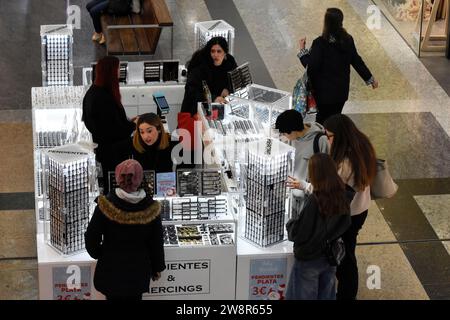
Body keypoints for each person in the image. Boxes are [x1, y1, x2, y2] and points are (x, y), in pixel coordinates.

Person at [85, 159, 165, 300]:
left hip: (111, 270)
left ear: (118, 177)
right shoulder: (152, 208)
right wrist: (157, 267)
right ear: (140, 178)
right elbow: (156, 243)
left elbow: (91, 237)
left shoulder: (105, 205)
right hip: (138, 272)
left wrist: (100, 253)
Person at [323, 114, 377, 300]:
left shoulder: (345, 163)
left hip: (347, 214)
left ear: (339, 136)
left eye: (329, 136)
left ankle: (346, 295)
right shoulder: (362, 145)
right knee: (348, 250)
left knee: (344, 259)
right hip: (360, 209)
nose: (327, 139)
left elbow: (332, 192)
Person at [285, 153, 353, 300]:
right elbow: (346, 223)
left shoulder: (315, 201)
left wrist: (290, 224)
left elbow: (300, 232)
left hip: (309, 258)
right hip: (330, 256)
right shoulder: (342, 195)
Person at [298, 8, 379, 124]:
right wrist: (370, 78)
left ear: (327, 23)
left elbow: (311, 67)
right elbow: (356, 61)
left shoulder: (320, 43)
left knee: (322, 121)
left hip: (323, 94)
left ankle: (324, 141)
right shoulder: (347, 40)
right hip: (341, 93)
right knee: (335, 119)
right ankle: (335, 139)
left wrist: (302, 51)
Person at [82, 56, 135, 195]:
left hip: (106, 150)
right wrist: (133, 126)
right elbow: (114, 130)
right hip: (113, 152)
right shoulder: (103, 98)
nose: (119, 71)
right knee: (115, 184)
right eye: (117, 68)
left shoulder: (93, 93)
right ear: (111, 71)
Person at [275, 109, 330, 216]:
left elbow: (327, 174)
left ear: (294, 130)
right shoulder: (292, 138)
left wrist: (306, 186)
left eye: (285, 133)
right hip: (293, 197)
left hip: (310, 198)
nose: (284, 136)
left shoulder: (320, 141)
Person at [181, 36, 238, 115]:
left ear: (225, 53)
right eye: (213, 51)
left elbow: (236, 80)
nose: (215, 54)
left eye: (219, 51)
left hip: (219, 108)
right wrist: (214, 98)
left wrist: (228, 89)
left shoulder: (230, 63)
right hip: (195, 109)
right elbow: (192, 92)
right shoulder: (200, 67)